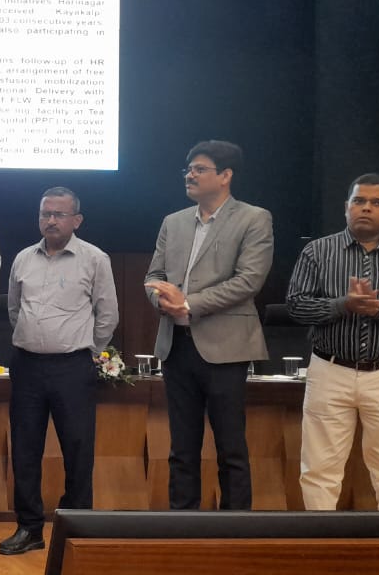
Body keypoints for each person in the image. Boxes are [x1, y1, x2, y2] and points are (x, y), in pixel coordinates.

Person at [287, 174, 379, 512]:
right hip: (330, 371)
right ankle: (321, 541)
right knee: (319, 469)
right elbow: (296, 306)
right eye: (359, 201)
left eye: (376, 202)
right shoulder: (317, 251)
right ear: (346, 207)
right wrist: (343, 305)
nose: (366, 208)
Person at [144, 140, 273, 511]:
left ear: (226, 175)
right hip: (176, 346)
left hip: (226, 349)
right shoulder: (173, 222)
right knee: (181, 447)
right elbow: (154, 275)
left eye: (200, 169)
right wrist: (161, 300)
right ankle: (182, 526)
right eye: (189, 169)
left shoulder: (253, 218)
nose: (190, 175)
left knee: (230, 447)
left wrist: (188, 304)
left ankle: (235, 529)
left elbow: (248, 281)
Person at [0, 187, 118, 555]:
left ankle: (76, 528)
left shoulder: (95, 259)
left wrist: (88, 350)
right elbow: (14, 310)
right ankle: (29, 528)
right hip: (27, 366)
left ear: (76, 220)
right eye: (45, 214)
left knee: (77, 450)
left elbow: (108, 315)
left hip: (72, 368)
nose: (50, 220)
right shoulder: (23, 258)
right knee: (25, 450)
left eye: (59, 214)